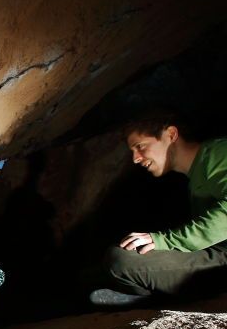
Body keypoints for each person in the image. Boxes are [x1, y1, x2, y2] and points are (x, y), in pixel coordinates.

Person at [90, 110, 227, 305]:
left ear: (171, 134)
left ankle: (148, 302)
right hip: (217, 258)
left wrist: (166, 241)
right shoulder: (196, 174)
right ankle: (145, 298)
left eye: (140, 146)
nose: (135, 158)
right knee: (103, 266)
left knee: (121, 260)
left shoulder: (218, 153)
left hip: (222, 262)